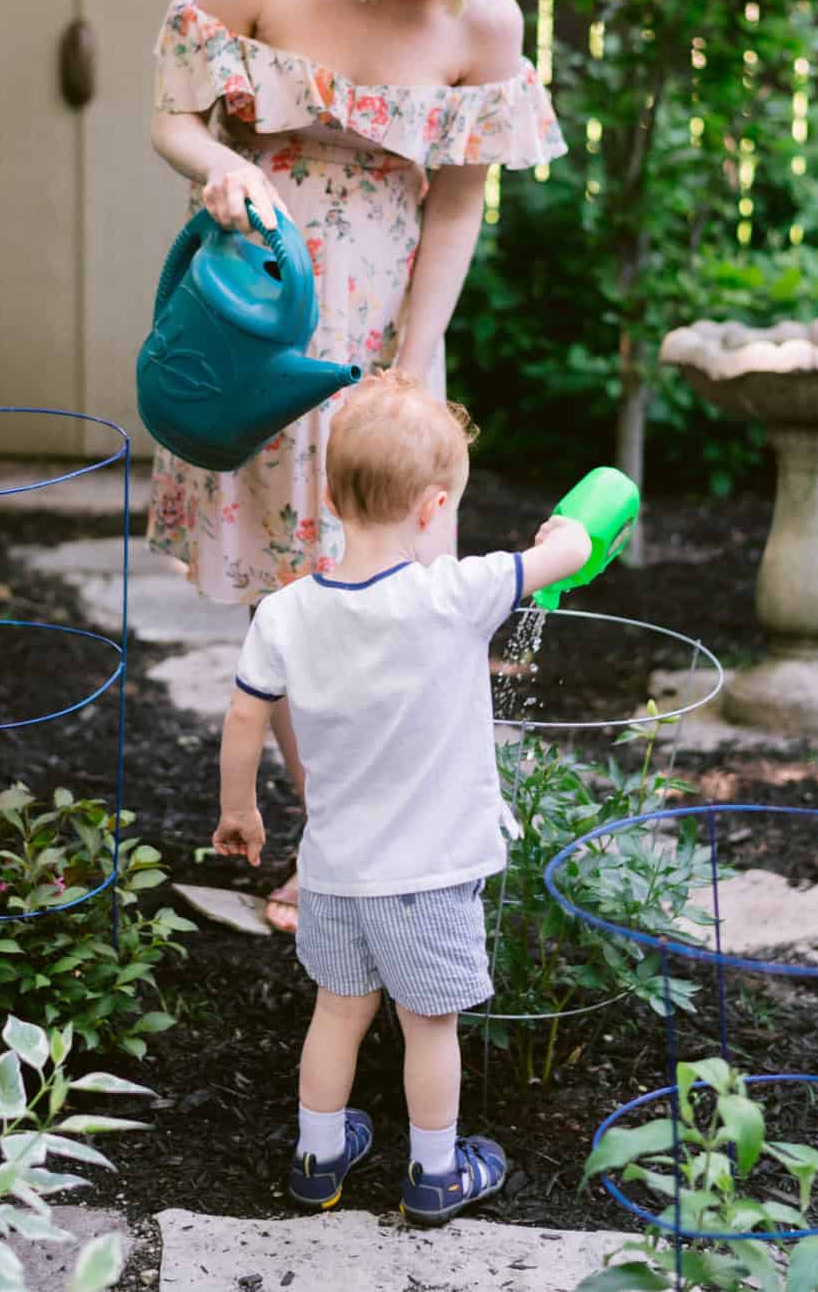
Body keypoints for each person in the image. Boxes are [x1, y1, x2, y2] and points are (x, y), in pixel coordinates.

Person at [149, 0, 566, 931]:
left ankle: (388, 838)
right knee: (296, 598)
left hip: (383, 326)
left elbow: (456, 203)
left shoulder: (486, 22)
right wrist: (220, 166)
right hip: (253, 309)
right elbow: (173, 116)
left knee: (390, 595)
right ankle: (334, 848)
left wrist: (416, 355)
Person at [211, 371, 592, 1222]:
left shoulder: (285, 611)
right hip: (430, 873)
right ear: (430, 509)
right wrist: (566, 530)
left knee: (337, 1014)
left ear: (333, 497)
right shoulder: (451, 594)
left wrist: (241, 808)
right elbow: (566, 556)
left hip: (337, 871)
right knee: (430, 1027)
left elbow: (245, 710)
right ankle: (433, 1172)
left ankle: (316, 1158)